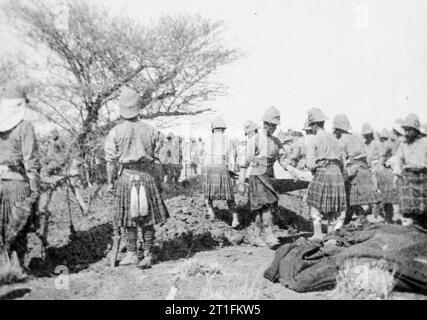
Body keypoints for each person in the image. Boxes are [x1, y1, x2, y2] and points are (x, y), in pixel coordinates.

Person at [105, 87, 169, 269]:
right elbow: (158, 161)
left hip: (126, 177)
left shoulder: (115, 132)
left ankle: (133, 253)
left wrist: (110, 182)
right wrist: (159, 180)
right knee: (147, 219)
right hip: (147, 176)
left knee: (128, 219)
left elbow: (110, 162)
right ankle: (147, 254)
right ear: (138, 108)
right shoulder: (151, 130)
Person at [240, 107, 297, 247]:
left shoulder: (276, 141)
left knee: (268, 205)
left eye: (276, 126)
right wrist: (241, 181)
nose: (275, 128)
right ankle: (268, 234)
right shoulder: (255, 139)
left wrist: (291, 170)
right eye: (273, 125)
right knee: (262, 206)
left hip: (270, 175)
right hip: (257, 174)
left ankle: (257, 235)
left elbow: (283, 158)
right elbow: (245, 162)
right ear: (265, 124)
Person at [0, 84, 41, 268]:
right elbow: (31, 159)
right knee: (20, 227)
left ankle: (5, 267)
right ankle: (18, 268)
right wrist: (35, 188)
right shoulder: (25, 127)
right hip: (18, 184)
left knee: (2, 229)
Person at [305, 108, 347, 241]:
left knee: (314, 203)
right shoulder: (334, 138)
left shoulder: (312, 139)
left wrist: (315, 169)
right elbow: (342, 161)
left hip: (322, 172)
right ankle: (331, 237)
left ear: (314, 125)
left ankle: (317, 234)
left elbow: (311, 164)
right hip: (336, 173)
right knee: (333, 205)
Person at [332, 114, 380, 224]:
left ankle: (358, 219)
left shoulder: (342, 141)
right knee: (354, 199)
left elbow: (341, 159)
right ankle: (352, 219)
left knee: (349, 197)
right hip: (363, 169)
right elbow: (366, 157)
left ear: (338, 130)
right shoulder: (357, 138)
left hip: (352, 171)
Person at [202, 117, 239, 229]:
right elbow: (231, 158)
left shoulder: (207, 139)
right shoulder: (228, 139)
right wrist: (232, 172)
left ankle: (211, 212)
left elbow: (203, 155)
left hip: (208, 167)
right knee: (229, 195)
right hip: (221, 166)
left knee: (207, 193)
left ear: (213, 129)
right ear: (223, 129)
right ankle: (235, 218)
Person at [393, 114, 427, 228]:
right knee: (410, 207)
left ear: (416, 130)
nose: (407, 133)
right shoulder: (403, 145)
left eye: (409, 130)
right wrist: (396, 174)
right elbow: (398, 159)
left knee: (424, 206)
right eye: (405, 130)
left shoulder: (425, 142)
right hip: (409, 177)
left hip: (424, 176)